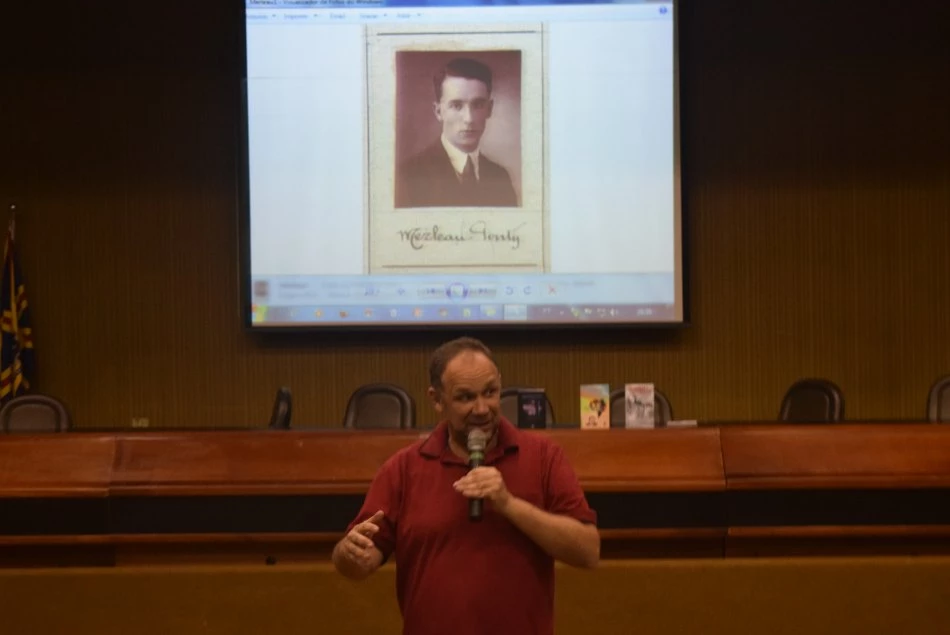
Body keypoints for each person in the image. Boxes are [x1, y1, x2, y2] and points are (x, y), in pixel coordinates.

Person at [332, 336, 599, 635]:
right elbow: (356, 562)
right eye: (465, 397)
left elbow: (588, 552)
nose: (482, 408)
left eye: (490, 392)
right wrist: (348, 554)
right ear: (437, 399)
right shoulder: (403, 468)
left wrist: (509, 505)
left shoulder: (544, 457)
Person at [395, 58, 519, 208]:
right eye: (456, 106)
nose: (469, 119)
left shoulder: (500, 177)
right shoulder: (407, 176)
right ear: (438, 111)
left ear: (489, 109)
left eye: (478, 105)